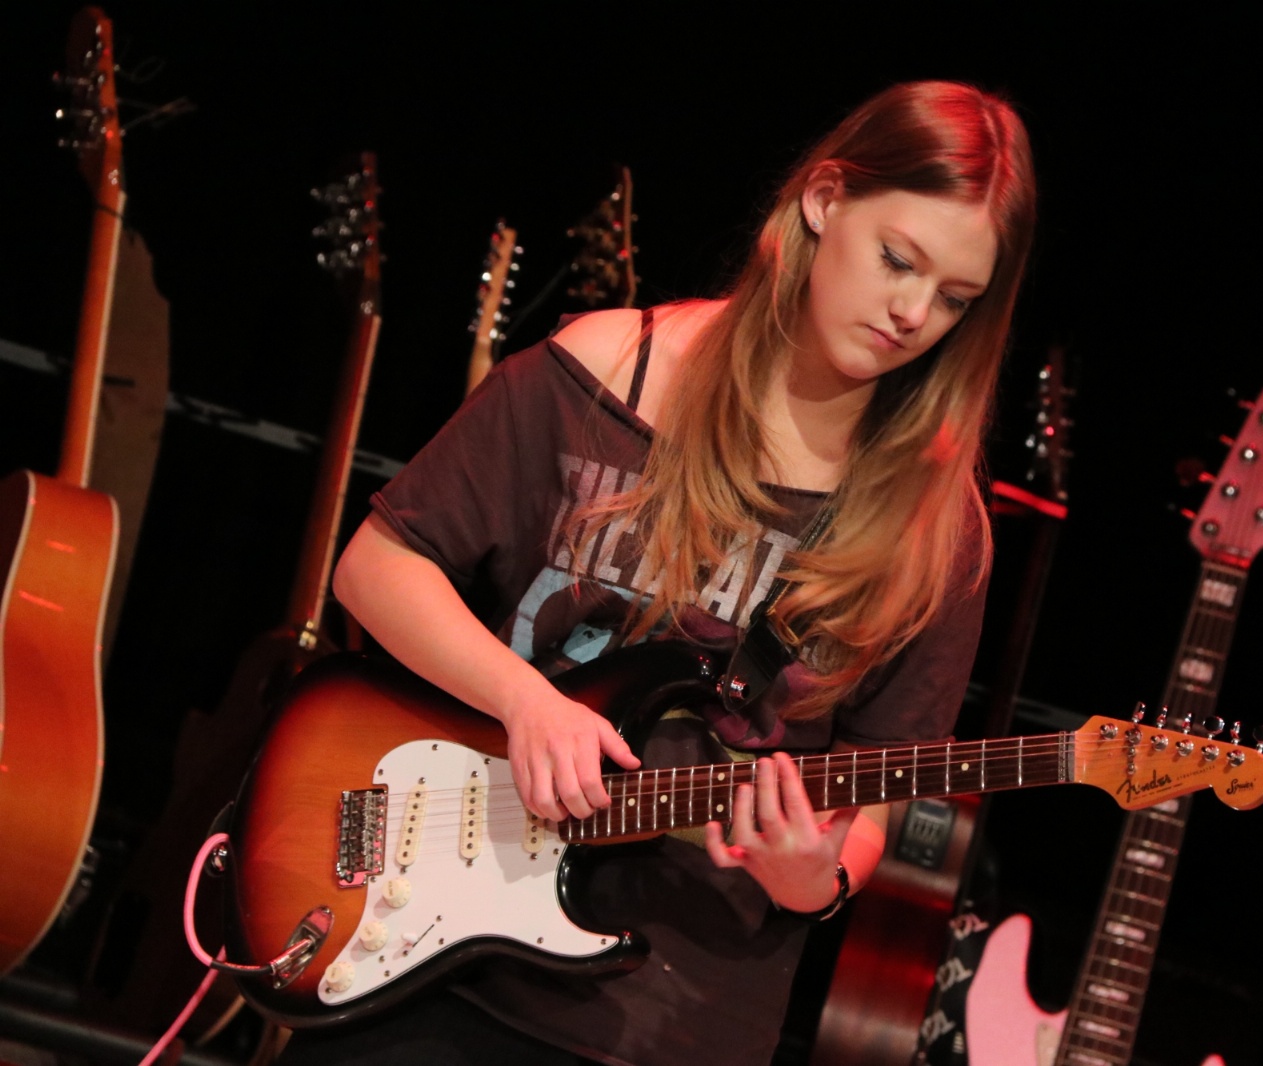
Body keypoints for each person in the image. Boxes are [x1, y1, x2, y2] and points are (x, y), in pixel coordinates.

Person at [284, 79, 1037, 1066]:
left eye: (954, 300)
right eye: (898, 259)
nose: (911, 313)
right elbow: (378, 568)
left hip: (682, 1014)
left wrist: (812, 877)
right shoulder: (607, 371)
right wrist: (523, 700)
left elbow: (874, 795)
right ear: (823, 200)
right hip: (436, 943)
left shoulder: (939, 529)